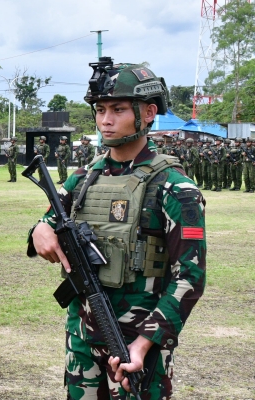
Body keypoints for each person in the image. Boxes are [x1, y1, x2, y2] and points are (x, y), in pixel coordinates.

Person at [28, 59, 206, 400]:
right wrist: (38, 230)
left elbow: (190, 278)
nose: (105, 120)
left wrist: (143, 344)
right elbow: (48, 223)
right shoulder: (83, 177)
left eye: (119, 109)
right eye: (100, 109)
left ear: (149, 113)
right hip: (83, 336)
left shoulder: (173, 187)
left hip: (137, 345)